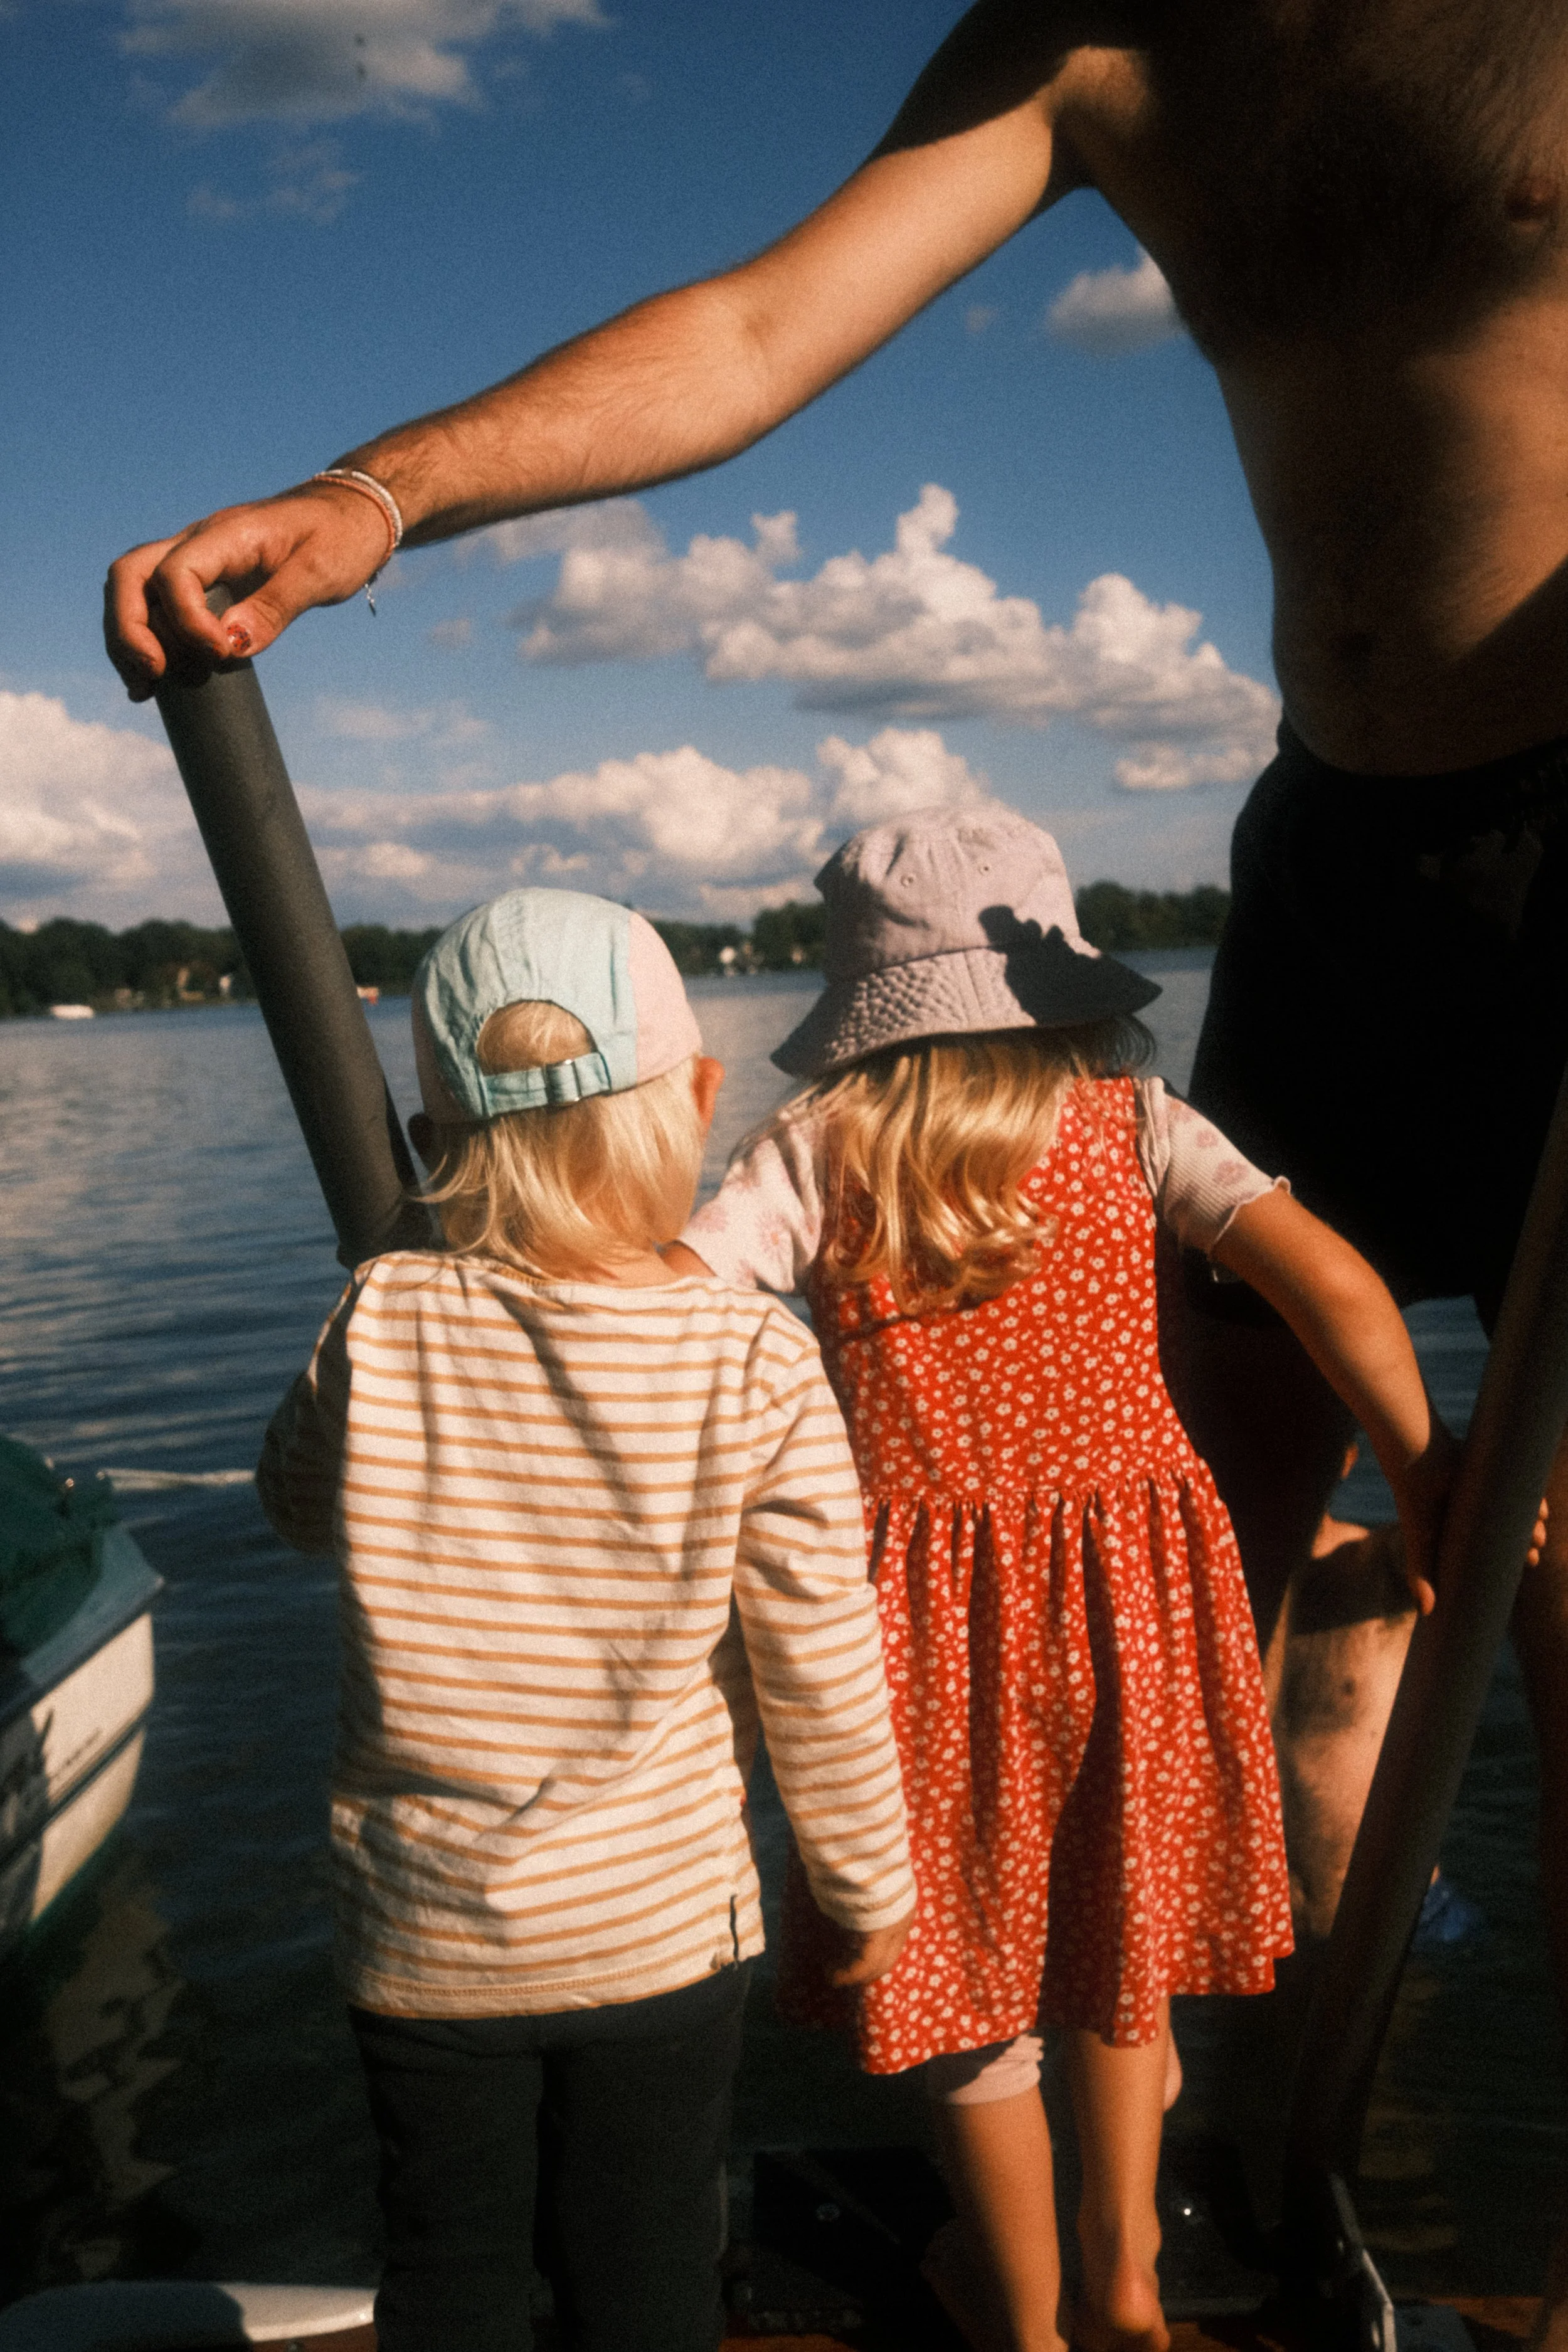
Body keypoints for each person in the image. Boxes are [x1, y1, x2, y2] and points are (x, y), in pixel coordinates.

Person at [105, 0, 1568, 2307]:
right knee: (1273, 1660)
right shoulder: (1099, 41)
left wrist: (497, 1370)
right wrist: (385, 493)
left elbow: (708, 1275)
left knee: (1519, 1611)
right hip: (1332, 879)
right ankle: (1214, 2234)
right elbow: (770, 321)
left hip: (1554, 861)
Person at [664, 805, 1458, 2352]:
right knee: (1119, 1932)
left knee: (957, 1976)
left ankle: (1019, 2316)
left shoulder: (814, 1148)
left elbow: (680, 1307)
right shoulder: (1139, 1124)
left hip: (903, 1619)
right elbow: (1334, 1283)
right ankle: (1124, 2281)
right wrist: (1420, 1471)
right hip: (1133, 1593)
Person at [255, 886, 916, 2352]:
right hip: (658, 1940)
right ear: (694, 1093)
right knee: (649, 2268)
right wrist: (864, 1891)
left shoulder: (379, 1317)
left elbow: (295, 1507)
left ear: (437, 1134)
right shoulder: (753, 1359)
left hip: (424, 1940)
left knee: (452, 2273)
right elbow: (820, 1674)